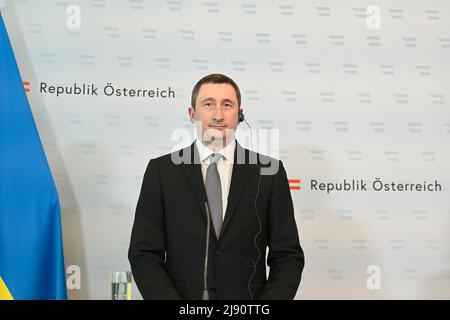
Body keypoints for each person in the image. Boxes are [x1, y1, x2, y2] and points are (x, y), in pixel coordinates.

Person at [128, 73, 304, 300]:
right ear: (192, 114)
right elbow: (144, 253)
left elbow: (288, 256)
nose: (218, 115)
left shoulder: (269, 173)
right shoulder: (161, 172)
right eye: (209, 104)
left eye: (227, 105)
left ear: (240, 114)